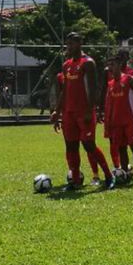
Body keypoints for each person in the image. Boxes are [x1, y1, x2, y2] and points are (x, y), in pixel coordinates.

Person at [51, 32, 115, 191]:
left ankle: (109, 176)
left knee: (89, 145)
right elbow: (64, 90)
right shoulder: (66, 65)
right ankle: (75, 181)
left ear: (80, 43)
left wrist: (90, 110)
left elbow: (93, 89)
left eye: (72, 43)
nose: (69, 47)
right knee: (71, 146)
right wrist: (57, 111)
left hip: (84, 112)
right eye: (67, 44)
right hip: (69, 113)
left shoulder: (88, 63)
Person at [104, 56, 133, 183]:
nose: (110, 68)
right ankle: (125, 173)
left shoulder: (128, 79)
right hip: (117, 122)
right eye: (109, 65)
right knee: (122, 148)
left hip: (130, 120)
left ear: (119, 65)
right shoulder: (110, 83)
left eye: (113, 64)